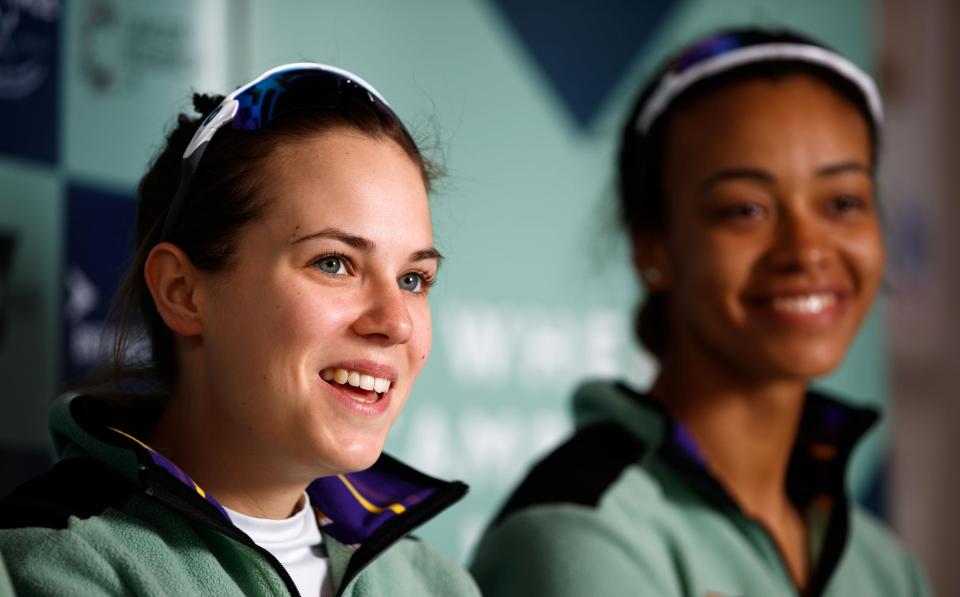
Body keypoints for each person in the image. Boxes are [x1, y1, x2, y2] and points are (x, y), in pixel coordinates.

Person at [471, 29, 931, 596]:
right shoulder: (579, 533)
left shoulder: (882, 564)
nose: (807, 250)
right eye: (746, 209)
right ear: (652, 246)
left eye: (842, 203)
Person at [0, 63, 479, 597]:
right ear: (182, 292)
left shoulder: (437, 585)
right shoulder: (52, 564)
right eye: (334, 263)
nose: (396, 322)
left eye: (413, 278)